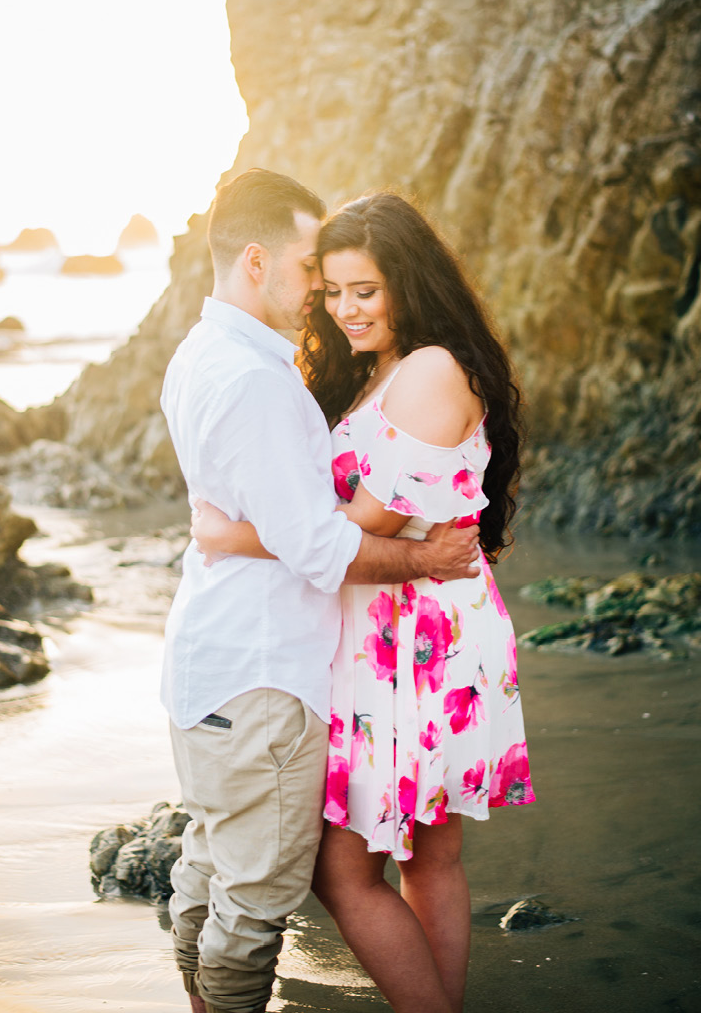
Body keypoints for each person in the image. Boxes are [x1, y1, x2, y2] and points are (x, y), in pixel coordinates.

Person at [192, 191, 535, 1013]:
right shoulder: (378, 368)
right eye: (335, 290)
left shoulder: (431, 370)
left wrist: (228, 533)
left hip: (420, 640)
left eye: (366, 292)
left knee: (344, 871)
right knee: (426, 859)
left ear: (407, 284)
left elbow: (355, 527)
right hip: (390, 626)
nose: (345, 310)